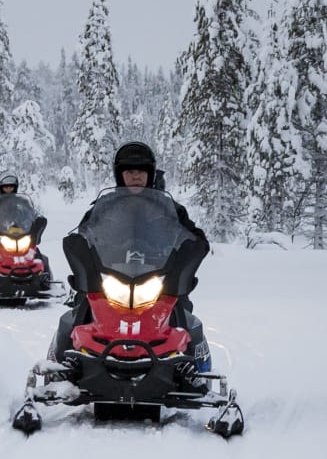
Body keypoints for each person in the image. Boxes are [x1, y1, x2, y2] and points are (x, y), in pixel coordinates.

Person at [52, 142, 213, 372]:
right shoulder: (105, 206)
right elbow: (84, 233)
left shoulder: (170, 208)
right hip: (112, 272)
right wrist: (83, 250)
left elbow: (194, 237)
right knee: (81, 308)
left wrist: (187, 252)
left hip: (158, 274)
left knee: (182, 312)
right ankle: (65, 366)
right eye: (129, 171)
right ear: (120, 175)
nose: (135, 176)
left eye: (140, 171)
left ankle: (193, 370)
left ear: (149, 173)